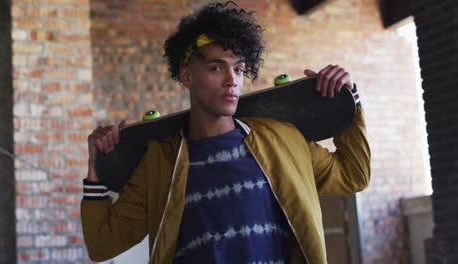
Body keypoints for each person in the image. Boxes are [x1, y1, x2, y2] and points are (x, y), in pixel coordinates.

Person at [81, 2, 370, 264]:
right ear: (187, 75)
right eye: (216, 67)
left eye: (239, 69)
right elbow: (102, 245)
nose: (232, 80)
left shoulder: (283, 140)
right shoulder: (160, 164)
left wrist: (347, 102)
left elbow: (354, 175)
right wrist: (95, 168)